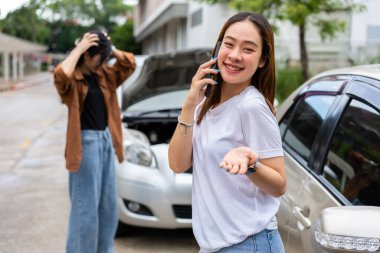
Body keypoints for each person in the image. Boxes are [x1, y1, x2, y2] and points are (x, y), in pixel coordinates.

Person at [168, 12, 286, 253]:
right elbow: (178, 164)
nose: (234, 55)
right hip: (217, 246)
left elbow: (279, 185)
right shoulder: (205, 105)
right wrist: (189, 104)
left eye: (248, 49)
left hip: (250, 243)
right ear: (218, 47)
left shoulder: (251, 106)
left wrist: (251, 164)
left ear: (262, 60)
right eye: (229, 44)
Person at [53, 31, 135, 253]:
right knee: (85, 211)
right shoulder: (73, 79)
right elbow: (60, 75)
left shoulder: (104, 74)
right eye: (99, 57)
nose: (103, 62)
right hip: (85, 145)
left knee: (108, 209)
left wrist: (109, 46)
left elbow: (129, 64)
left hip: (106, 141)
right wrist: (79, 48)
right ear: (86, 56)